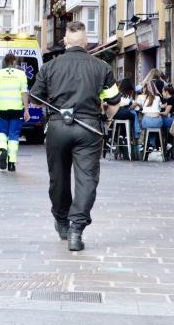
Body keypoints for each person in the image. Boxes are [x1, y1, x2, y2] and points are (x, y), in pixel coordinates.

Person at [30, 21, 121, 251]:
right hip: (89, 127)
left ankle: (61, 220)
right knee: (87, 179)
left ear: (65, 42)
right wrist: (107, 119)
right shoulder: (101, 67)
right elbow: (114, 102)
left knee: (58, 178)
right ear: (86, 42)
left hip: (58, 126)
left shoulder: (50, 67)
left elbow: (34, 98)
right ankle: (76, 229)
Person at [0, 53, 30, 172]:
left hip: (2, 108)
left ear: (4, 62)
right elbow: (24, 92)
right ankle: (12, 163)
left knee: (2, 132)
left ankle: (3, 148)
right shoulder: (21, 74)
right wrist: (26, 109)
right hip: (17, 109)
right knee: (14, 135)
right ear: (14, 62)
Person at [138, 79, 164, 150]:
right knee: (155, 127)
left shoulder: (142, 97)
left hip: (146, 122)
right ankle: (152, 145)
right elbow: (160, 109)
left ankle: (142, 143)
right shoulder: (158, 97)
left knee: (143, 122)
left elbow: (139, 108)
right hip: (157, 123)